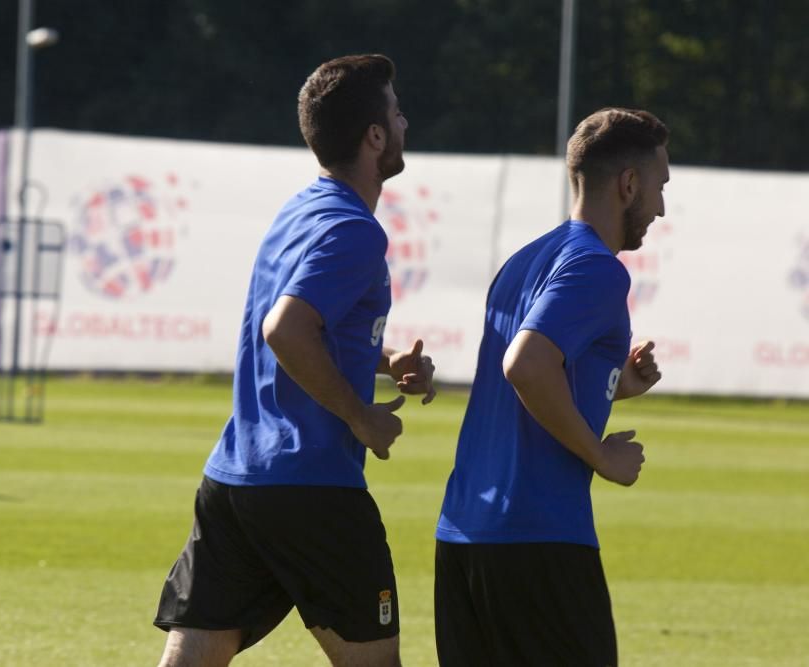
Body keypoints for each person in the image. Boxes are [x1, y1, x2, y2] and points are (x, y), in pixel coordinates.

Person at [154, 54, 436, 667]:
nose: (405, 120)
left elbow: (305, 325)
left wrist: (387, 360)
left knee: (199, 649)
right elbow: (285, 328)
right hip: (311, 483)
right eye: (395, 111)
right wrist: (360, 415)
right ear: (375, 136)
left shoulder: (301, 209)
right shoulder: (356, 230)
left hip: (235, 477)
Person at [434, 107, 670, 666]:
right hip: (538, 540)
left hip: (465, 536)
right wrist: (601, 457)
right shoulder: (597, 268)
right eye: (659, 187)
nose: (659, 207)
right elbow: (526, 367)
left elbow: (525, 383)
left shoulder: (522, 262)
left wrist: (611, 382)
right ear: (628, 183)